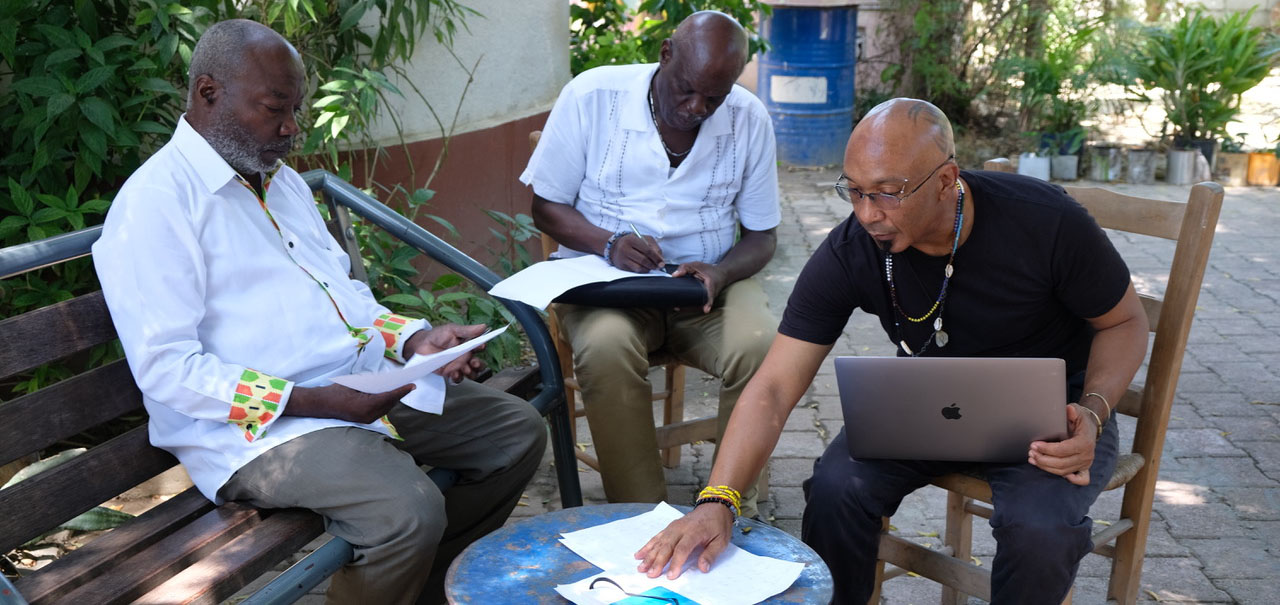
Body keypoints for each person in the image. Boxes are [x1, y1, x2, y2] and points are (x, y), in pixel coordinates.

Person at [91, 20, 545, 604]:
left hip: (353, 393)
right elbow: (169, 370)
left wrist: (413, 342)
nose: (291, 128)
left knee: (514, 433)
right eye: (274, 108)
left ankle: (424, 590)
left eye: (296, 109)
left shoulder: (280, 185)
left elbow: (345, 303)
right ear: (208, 93)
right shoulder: (155, 205)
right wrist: (315, 400)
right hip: (257, 434)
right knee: (406, 513)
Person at [634, 98, 1149, 604]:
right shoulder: (852, 249)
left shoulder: (1045, 220)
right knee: (837, 488)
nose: (866, 214)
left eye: (886, 193)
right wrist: (717, 501)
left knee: (1040, 528)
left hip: (1054, 418)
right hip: (928, 406)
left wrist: (1095, 411)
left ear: (947, 180)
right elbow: (771, 388)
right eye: (854, 192)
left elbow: (1125, 322)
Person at [520, 10, 779, 517]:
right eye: (686, 89)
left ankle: (730, 510)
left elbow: (763, 235)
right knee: (605, 347)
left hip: (708, 290)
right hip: (607, 285)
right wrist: (607, 242)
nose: (696, 107)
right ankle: (640, 519)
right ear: (665, 55)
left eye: (714, 97)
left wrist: (720, 272)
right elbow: (544, 206)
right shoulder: (593, 97)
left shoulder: (749, 118)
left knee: (763, 345)